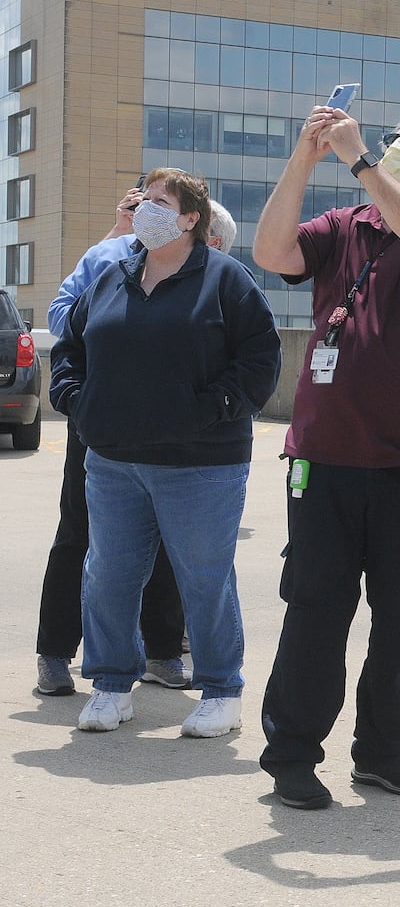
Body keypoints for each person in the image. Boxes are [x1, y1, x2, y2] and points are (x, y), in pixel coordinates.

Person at [254, 106, 400, 808]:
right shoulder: (342, 228)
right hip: (325, 460)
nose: (391, 151)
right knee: (316, 608)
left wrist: (360, 162)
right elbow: (272, 252)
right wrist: (305, 157)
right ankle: (293, 753)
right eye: (388, 143)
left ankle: (382, 752)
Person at [49, 168, 280, 737]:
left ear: (190, 218)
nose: (144, 209)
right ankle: (109, 685)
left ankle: (222, 689)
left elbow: (259, 361)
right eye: (143, 200)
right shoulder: (113, 275)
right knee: (108, 575)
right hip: (113, 459)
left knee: (203, 578)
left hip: (200, 463)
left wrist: (211, 409)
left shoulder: (227, 280)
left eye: (159, 202)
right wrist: (77, 400)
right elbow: (70, 346)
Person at [33, 189, 234, 697]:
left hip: (174, 433)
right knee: (82, 537)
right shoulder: (107, 259)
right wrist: (80, 402)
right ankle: (57, 654)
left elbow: (249, 354)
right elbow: (63, 325)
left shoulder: (215, 276)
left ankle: (163, 652)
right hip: (102, 427)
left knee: (168, 541)